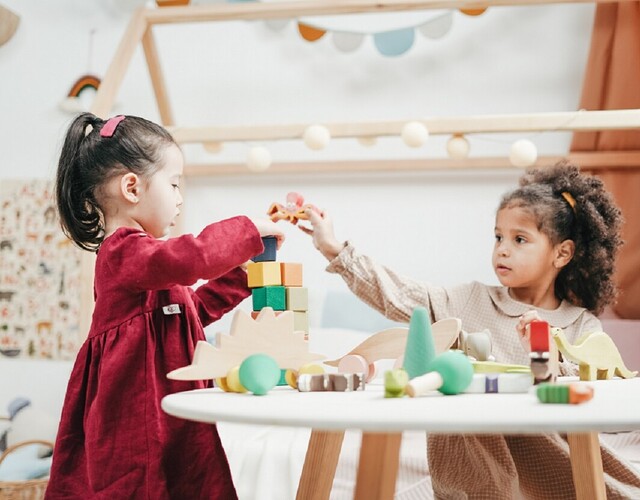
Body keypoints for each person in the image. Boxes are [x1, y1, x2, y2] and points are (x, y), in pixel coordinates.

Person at [300, 161, 640, 499]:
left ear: (562, 253)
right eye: (498, 237)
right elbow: (399, 294)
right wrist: (333, 248)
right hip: (479, 469)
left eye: (520, 239)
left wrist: (545, 352)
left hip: (553, 462)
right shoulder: (469, 300)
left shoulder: (581, 324)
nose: (502, 249)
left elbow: (590, 395)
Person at [46, 113, 284, 499]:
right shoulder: (123, 253)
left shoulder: (151, 266)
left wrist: (243, 274)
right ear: (132, 188)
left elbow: (192, 310)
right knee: (140, 485)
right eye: (174, 184)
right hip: (135, 418)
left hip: (171, 413)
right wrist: (246, 231)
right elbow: (190, 260)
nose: (179, 198)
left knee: (187, 480)